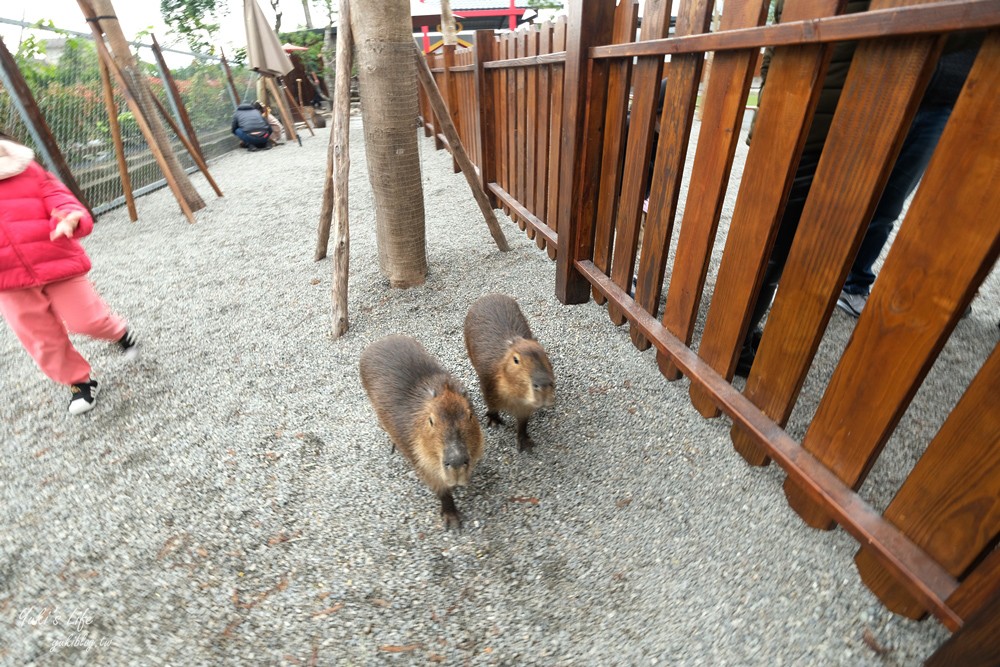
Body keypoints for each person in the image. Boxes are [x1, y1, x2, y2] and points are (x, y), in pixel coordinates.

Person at [734, 16, 982, 377]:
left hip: (894, 106)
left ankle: (749, 331)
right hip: (840, 115)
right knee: (779, 239)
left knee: (803, 237)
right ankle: (739, 338)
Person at [0, 132, 138, 415]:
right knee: (41, 339)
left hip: (55, 259)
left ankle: (119, 331)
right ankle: (79, 382)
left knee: (89, 321)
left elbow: (57, 197)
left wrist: (69, 217)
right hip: (8, 280)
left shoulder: (23, 165)